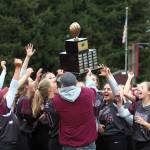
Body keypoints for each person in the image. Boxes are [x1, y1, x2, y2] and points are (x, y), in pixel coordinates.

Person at [52, 72, 97, 150]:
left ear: (62, 84)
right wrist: (88, 77)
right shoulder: (88, 93)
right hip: (88, 143)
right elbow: (93, 88)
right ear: (76, 82)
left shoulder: (56, 100)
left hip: (69, 144)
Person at [116, 81, 150, 150]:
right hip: (135, 141)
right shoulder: (136, 104)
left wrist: (145, 123)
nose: (138, 89)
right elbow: (123, 114)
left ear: (149, 92)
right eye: (138, 88)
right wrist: (119, 104)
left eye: (142, 87)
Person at [32, 77, 62, 150]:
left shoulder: (49, 102)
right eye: (54, 82)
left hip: (56, 139)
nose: (56, 83)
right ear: (50, 89)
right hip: (57, 142)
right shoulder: (53, 103)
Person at [0, 58, 22, 150]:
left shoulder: (4, 105)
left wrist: (4, 70)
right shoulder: (5, 107)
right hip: (7, 145)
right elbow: (13, 86)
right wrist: (17, 67)